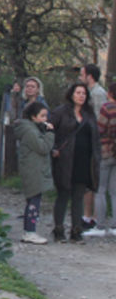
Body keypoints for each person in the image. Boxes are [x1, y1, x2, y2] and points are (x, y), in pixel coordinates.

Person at [48, 81, 101, 244]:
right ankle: (58, 230)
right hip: (64, 159)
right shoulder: (60, 112)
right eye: (78, 93)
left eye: (84, 93)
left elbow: (95, 137)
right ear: (71, 94)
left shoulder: (89, 114)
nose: (81, 96)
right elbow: (49, 131)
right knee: (63, 193)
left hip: (84, 159)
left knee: (79, 195)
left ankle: (76, 230)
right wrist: (54, 149)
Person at [14, 101, 55, 244]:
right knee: (33, 201)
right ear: (33, 117)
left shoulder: (31, 129)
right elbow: (43, 147)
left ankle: (30, 230)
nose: (45, 119)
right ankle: (29, 231)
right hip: (33, 170)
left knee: (34, 200)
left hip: (34, 168)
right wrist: (50, 134)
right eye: (42, 116)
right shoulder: (30, 131)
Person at [0, 76, 48, 176]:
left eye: (32, 86)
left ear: (38, 89)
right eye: (27, 86)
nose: (29, 88)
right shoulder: (23, 103)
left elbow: (44, 122)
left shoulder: (41, 103)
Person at [79, 64, 107, 231]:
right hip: (87, 141)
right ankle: (87, 215)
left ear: (89, 76)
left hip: (95, 143)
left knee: (95, 180)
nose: (80, 77)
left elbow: (99, 119)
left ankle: (95, 217)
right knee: (87, 180)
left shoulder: (98, 94)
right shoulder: (87, 93)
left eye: (82, 74)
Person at [89, 82, 116, 237]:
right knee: (114, 192)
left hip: (106, 151)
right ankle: (114, 225)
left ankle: (100, 225)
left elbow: (99, 129)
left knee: (100, 190)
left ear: (110, 93)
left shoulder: (107, 108)